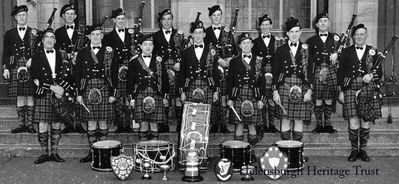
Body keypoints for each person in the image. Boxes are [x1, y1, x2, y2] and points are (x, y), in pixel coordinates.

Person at [338, 24, 381, 162]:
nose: (359, 36)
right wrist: (341, 91)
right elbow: (340, 73)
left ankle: (362, 150)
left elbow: (379, 72)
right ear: (353, 36)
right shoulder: (346, 51)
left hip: (368, 88)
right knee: (353, 120)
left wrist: (372, 76)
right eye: (357, 34)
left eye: (362, 34)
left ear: (366, 35)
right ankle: (354, 150)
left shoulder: (373, 51)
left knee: (366, 120)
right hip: (350, 88)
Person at [76, 24, 117, 163]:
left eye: (98, 34)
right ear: (88, 37)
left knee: (103, 122)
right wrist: (79, 93)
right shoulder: (82, 52)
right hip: (87, 87)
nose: (96, 37)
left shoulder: (109, 51)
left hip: (105, 88)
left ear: (102, 36)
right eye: (93, 34)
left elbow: (114, 74)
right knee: (91, 123)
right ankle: (93, 152)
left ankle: (104, 152)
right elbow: (78, 74)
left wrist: (113, 93)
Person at [30, 28, 69, 164]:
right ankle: (44, 154)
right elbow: (35, 79)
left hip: (58, 93)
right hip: (44, 94)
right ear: (42, 40)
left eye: (52, 37)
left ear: (55, 40)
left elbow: (68, 75)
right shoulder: (36, 57)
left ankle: (54, 153)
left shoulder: (62, 56)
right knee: (43, 125)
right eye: (47, 37)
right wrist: (52, 87)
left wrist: (61, 89)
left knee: (57, 124)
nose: (49, 39)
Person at [272, 17, 313, 142]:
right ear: (287, 34)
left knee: (299, 120)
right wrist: (275, 91)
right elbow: (275, 72)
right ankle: (286, 152)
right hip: (284, 86)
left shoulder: (306, 49)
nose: (294, 34)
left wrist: (310, 90)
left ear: (300, 32)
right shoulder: (280, 50)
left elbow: (311, 71)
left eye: (297, 31)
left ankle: (297, 154)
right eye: (292, 32)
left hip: (302, 87)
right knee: (285, 119)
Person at [227, 33, 265, 157]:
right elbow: (230, 81)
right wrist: (230, 98)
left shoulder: (259, 60)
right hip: (238, 95)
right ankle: (239, 152)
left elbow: (262, 82)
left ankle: (251, 152)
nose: (246, 45)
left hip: (253, 95)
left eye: (248, 42)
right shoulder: (234, 61)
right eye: (244, 43)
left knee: (252, 126)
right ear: (240, 46)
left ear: (252, 45)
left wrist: (261, 99)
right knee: (239, 125)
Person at [127, 34, 169, 140]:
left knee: (154, 124)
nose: (148, 47)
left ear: (153, 47)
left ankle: (154, 153)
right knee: (143, 124)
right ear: (140, 46)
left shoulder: (159, 60)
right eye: (145, 44)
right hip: (140, 94)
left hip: (156, 94)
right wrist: (131, 98)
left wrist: (165, 96)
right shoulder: (134, 61)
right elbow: (130, 81)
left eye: (150, 44)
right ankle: (143, 152)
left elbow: (165, 80)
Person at [2, 5, 36, 133]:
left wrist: (33, 59)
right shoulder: (9, 33)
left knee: (30, 96)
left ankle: (30, 125)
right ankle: (22, 125)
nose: (22, 17)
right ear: (16, 17)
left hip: (30, 66)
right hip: (15, 65)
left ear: (27, 16)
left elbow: (38, 51)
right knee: (20, 96)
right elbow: (5, 53)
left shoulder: (34, 32)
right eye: (19, 15)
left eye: (24, 15)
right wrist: (5, 68)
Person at [152, 9, 185, 133]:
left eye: (169, 19)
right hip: (162, 70)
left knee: (177, 97)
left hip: (177, 69)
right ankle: (163, 124)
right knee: (163, 96)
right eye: (164, 19)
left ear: (172, 20)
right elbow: (153, 54)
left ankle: (179, 124)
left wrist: (180, 63)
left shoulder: (179, 34)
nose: (167, 21)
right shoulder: (155, 36)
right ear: (160, 21)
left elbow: (185, 52)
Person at [55, 4, 86, 133]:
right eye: (67, 14)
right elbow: (56, 50)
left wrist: (78, 55)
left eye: (72, 14)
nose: (70, 16)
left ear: (75, 16)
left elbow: (86, 48)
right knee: (66, 93)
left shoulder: (82, 32)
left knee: (77, 92)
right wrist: (65, 55)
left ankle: (78, 123)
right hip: (65, 68)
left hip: (79, 67)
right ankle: (68, 123)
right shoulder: (58, 32)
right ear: (63, 16)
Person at [306, 12, 339, 133]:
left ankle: (328, 124)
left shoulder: (336, 39)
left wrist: (338, 54)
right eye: (321, 21)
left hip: (332, 70)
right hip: (317, 71)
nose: (323, 23)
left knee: (329, 98)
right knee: (318, 98)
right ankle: (320, 124)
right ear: (316, 24)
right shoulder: (311, 41)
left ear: (329, 23)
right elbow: (308, 61)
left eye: (325, 21)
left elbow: (345, 54)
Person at [204, 5, 235, 133]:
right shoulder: (205, 32)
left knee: (223, 96)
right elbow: (205, 52)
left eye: (218, 15)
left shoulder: (227, 32)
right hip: (211, 69)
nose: (216, 17)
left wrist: (229, 60)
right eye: (214, 15)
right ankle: (213, 123)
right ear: (210, 17)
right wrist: (218, 60)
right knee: (213, 95)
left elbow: (233, 49)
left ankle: (222, 124)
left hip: (225, 69)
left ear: (221, 16)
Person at [104, 8, 134, 133]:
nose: (121, 21)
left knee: (128, 96)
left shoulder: (131, 34)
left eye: (123, 19)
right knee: (118, 97)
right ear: (114, 20)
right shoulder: (108, 37)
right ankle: (119, 125)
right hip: (116, 68)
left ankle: (128, 125)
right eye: (118, 19)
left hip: (130, 68)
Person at [179, 16, 219, 109]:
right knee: (191, 117)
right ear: (192, 35)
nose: (198, 35)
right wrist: (182, 92)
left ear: (204, 34)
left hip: (208, 85)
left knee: (206, 118)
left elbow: (215, 71)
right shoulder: (185, 51)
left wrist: (216, 91)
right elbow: (182, 73)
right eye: (195, 33)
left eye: (200, 33)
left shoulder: (211, 50)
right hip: (190, 86)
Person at [252, 14, 279, 134]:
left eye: (267, 25)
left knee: (272, 99)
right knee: (262, 97)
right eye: (263, 25)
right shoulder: (254, 42)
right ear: (259, 27)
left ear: (271, 26)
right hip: (261, 73)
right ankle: (262, 124)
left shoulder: (277, 41)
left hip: (274, 71)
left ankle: (272, 125)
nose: (265, 27)